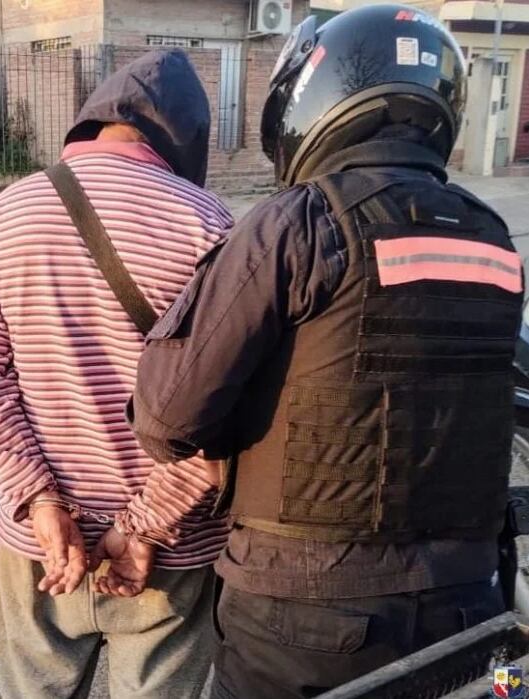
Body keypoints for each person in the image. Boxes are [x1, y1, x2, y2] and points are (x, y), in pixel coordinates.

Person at [119, 5, 525, 698]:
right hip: (464, 603)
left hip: (303, 615)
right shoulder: (489, 236)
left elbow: (165, 418)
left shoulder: (297, 222)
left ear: (313, 98)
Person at [0, 49, 233, 699]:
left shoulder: (2, 217)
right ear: (184, 136)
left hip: (43, 547)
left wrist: (41, 502)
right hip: (172, 554)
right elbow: (228, 409)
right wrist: (138, 527)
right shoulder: (208, 225)